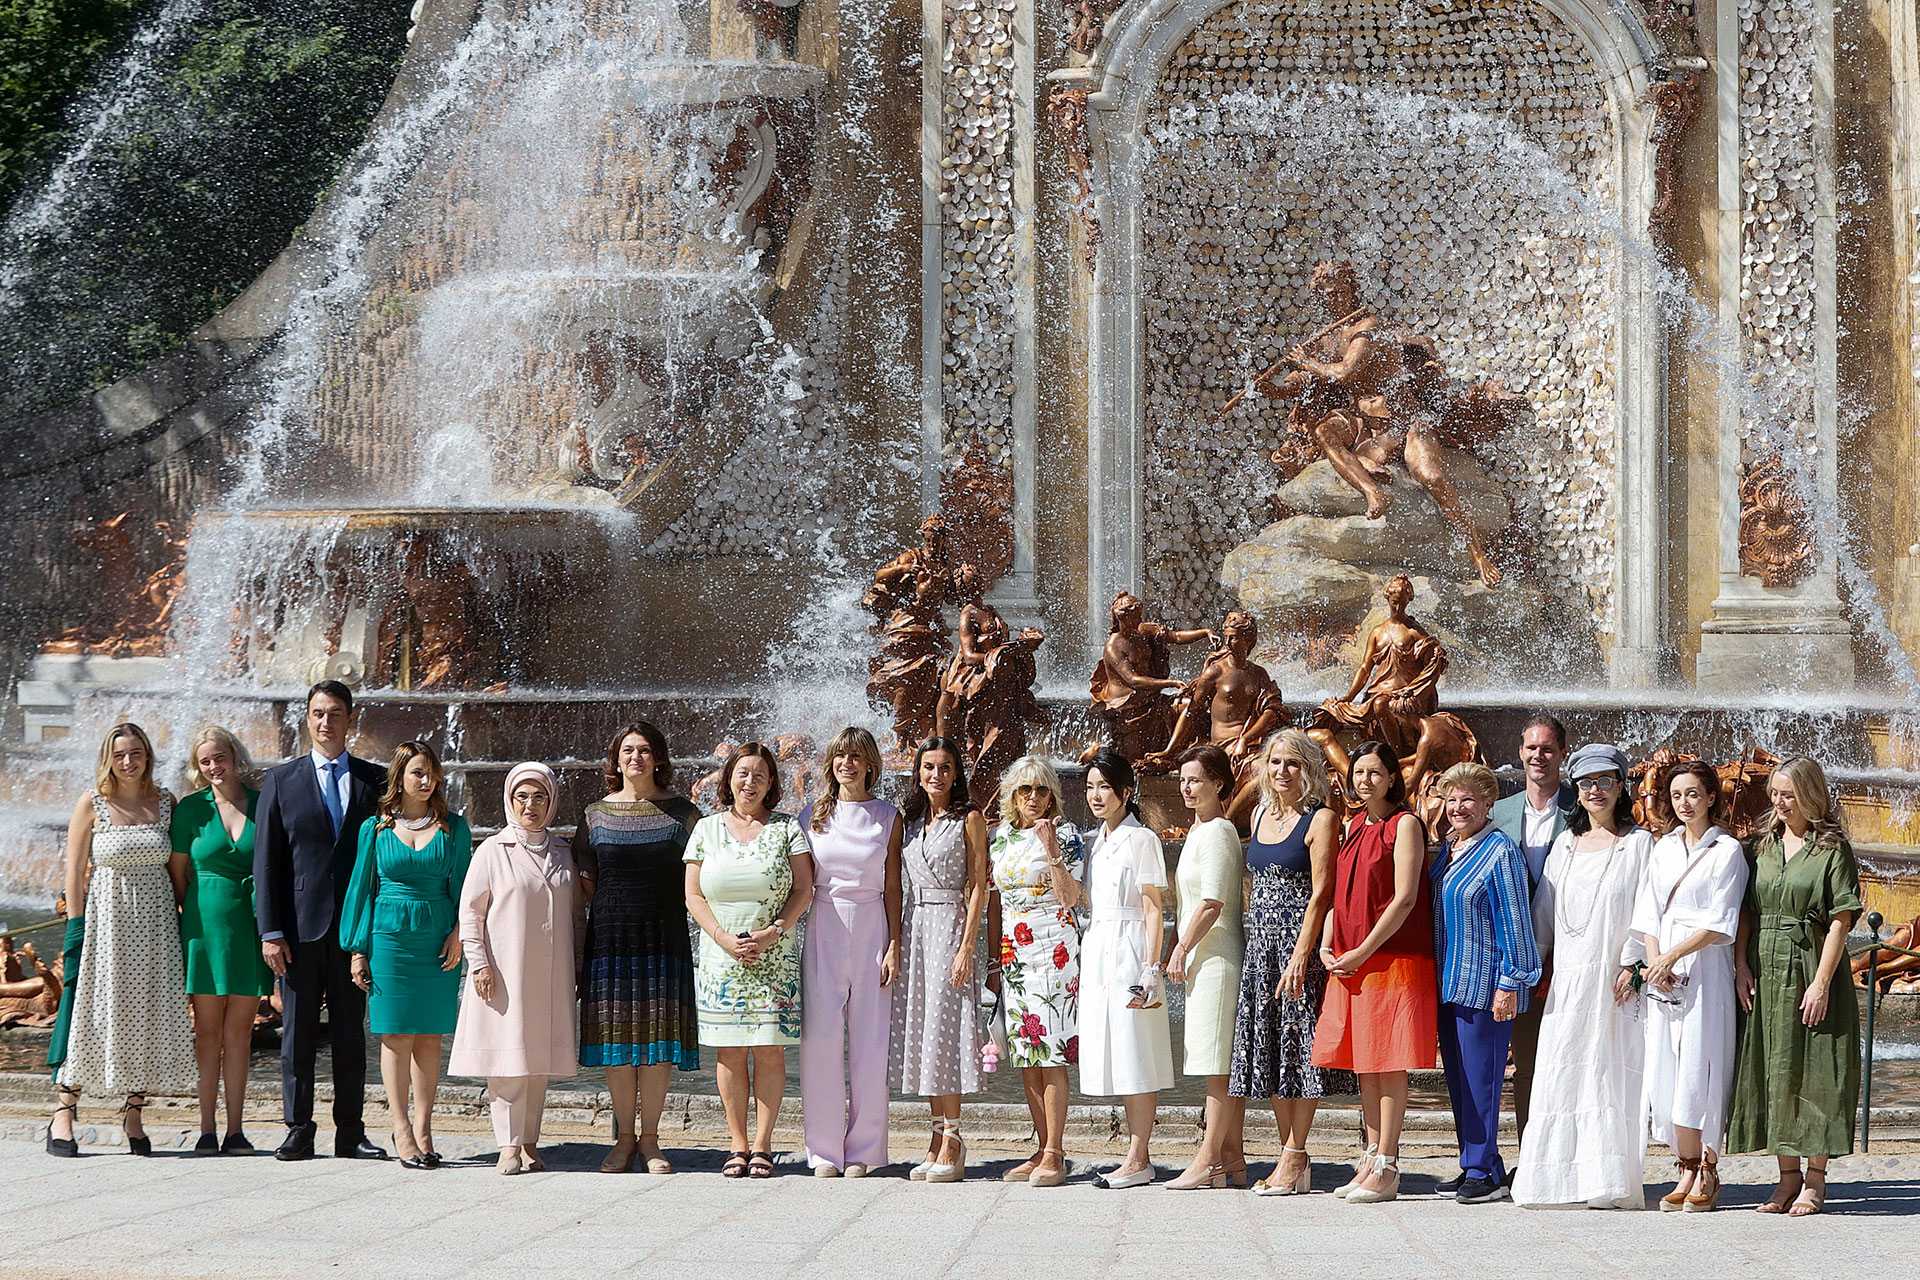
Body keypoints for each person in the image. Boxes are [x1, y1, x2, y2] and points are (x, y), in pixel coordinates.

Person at [1513, 743, 1654, 1210]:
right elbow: (1543, 918)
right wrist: (1525, 971)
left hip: (1614, 982)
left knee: (1608, 1075)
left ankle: (1607, 1180)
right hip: (1570, 981)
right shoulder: (1564, 846)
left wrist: (1634, 963)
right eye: (1587, 783)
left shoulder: (1638, 844)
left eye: (1605, 782)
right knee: (1563, 1071)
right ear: (1576, 788)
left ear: (1620, 788)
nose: (1596, 791)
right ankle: (1554, 1182)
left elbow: (1646, 910)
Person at [253, 680, 388, 1161]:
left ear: (351, 720)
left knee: (352, 1032)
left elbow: (383, 859)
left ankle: (350, 1130)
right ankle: (298, 1128)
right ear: (306, 720)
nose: (326, 721)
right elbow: (266, 863)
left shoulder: (377, 782)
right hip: (298, 928)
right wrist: (270, 931)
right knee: (298, 1032)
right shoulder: (280, 781)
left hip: (354, 930)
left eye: (335, 713)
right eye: (317, 713)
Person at [45, 722, 194, 1157]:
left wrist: (189, 918)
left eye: (136, 753)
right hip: (106, 924)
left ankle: (133, 1113)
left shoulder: (167, 802)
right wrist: (75, 927)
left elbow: (176, 870)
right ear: (108, 759)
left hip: (157, 926)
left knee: (145, 1010)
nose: (128, 762)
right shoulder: (92, 803)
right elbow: (73, 871)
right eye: (120, 754)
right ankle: (64, 1110)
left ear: (148, 755)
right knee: (94, 1011)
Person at [1727, 757, 1863, 1216]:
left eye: (1788, 794)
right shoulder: (1761, 846)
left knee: (1817, 1069)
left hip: (1810, 965)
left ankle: (1815, 1180)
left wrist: (1822, 984)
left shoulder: (1832, 850)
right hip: (1764, 967)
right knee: (1773, 1065)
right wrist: (1740, 963)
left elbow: (1841, 922)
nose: (1779, 803)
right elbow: (1747, 911)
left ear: (1810, 794)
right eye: (1774, 795)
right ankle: (1786, 1178)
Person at [1312, 738, 1437, 1204]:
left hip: (1392, 957)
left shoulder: (1404, 825)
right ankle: (1369, 1155)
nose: (1364, 780)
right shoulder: (1355, 825)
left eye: (1374, 773)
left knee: (1389, 1061)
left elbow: (1405, 897)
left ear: (1391, 778)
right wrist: (1327, 942)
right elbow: (1338, 895)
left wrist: (1363, 948)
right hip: (1350, 959)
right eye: (1358, 773)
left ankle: (1388, 1162)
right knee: (1366, 1062)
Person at [1230, 730, 1355, 1195]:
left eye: (1294, 763)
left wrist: (1303, 952)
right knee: (1273, 1051)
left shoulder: (1321, 819)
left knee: (1300, 1051)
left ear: (1309, 769)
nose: (1283, 771)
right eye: (1276, 762)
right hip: (1260, 949)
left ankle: (1295, 1152)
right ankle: (1291, 1156)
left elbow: (1323, 891)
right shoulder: (1260, 813)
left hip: (1296, 947)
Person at [340, 740, 473, 1170]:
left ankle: (424, 1127)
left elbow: (466, 890)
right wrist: (358, 950)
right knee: (395, 1034)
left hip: (437, 938)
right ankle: (399, 1127)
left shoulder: (455, 827)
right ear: (399, 778)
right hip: (390, 939)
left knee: (430, 1036)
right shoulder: (374, 829)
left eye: (431, 772)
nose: (426, 780)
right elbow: (360, 890)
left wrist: (458, 935)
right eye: (417, 772)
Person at [684, 743, 814, 1179]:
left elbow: (803, 889)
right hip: (721, 958)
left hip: (773, 956)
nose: (750, 782)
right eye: (743, 773)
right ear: (729, 778)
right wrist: (721, 937)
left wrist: (772, 932)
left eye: (760, 775)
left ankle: (763, 1144)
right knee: (730, 1053)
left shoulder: (787, 829)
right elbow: (693, 894)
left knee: (771, 1051)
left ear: (772, 782)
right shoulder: (705, 829)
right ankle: (737, 1144)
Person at [450, 763, 586, 1175]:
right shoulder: (493, 850)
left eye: (539, 796)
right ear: (510, 801)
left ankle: (530, 1142)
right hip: (504, 972)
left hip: (551, 974)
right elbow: (470, 913)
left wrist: (578, 968)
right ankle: (507, 1146)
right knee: (507, 1064)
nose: (531, 805)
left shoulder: (563, 852)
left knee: (537, 1061)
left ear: (552, 802)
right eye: (522, 797)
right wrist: (479, 963)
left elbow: (577, 917)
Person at [577, 722, 701, 1174]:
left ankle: (651, 1140)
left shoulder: (684, 814)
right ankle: (623, 1139)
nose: (636, 758)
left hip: (663, 935)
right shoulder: (594, 814)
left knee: (657, 1040)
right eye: (628, 750)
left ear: (659, 758)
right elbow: (583, 882)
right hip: (610, 937)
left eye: (645, 750)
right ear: (616, 759)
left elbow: (702, 876)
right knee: (617, 1040)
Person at [1633, 760, 1746, 1212]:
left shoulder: (1727, 851)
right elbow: (1648, 910)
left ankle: (1709, 1167)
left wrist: (1674, 956)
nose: (1684, 803)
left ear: (1712, 797)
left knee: (1703, 1061)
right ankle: (1683, 1165)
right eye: (1677, 795)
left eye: (1694, 794)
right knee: (1667, 1064)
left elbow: (1723, 920)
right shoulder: (1662, 848)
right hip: (1664, 969)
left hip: (1705, 969)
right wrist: (1656, 959)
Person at [1429, 762, 1541, 1204]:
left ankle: (1483, 1171)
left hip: (1485, 984)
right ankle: (1480, 1161)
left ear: (1488, 803)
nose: (1458, 807)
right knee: (1459, 1080)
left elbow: (1515, 919)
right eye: (1452, 799)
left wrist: (1511, 981)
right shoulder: (1450, 847)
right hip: (1449, 981)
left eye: (1468, 799)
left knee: (1484, 1080)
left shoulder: (1500, 851)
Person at [799, 727, 903, 1178]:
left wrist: (894, 945)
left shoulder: (888, 816)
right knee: (820, 1040)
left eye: (857, 757)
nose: (848, 764)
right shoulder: (811, 816)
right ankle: (823, 1151)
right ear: (831, 763)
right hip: (824, 923)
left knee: (870, 1042)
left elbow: (895, 887)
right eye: (841, 756)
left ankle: (863, 1150)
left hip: (872, 926)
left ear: (870, 765)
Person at [890, 736, 989, 1183]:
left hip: (950, 925)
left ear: (956, 773)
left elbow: (979, 886)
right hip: (916, 930)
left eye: (944, 767)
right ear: (918, 771)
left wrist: (968, 947)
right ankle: (934, 1136)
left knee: (947, 1036)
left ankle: (954, 1138)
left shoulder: (969, 818)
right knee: (925, 1032)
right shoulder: (910, 821)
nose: (936, 775)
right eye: (928, 767)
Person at [173, 725, 273, 1155]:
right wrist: (196, 911)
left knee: (241, 1034)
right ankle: (206, 1130)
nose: (214, 766)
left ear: (235, 755)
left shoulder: (262, 802)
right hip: (202, 929)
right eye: (205, 761)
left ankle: (235, 1130)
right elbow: (178, 875)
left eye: (220, 757)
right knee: (207, 1034)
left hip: (248, 927)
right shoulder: (191, 809)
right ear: (198, 767)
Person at [1078, 750, 1174, 1188]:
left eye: (1105, 787)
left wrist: (1151, 968)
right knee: (1116, 1046)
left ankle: (1139, 1158)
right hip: (1099, 946)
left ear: (1125, 792)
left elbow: (1154, 908)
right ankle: (1135, 1154)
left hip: (1131, 949)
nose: (1096, 795)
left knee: (1137, 1048)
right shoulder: (1099, 837)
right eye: (1091, 786)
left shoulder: (1142, 839)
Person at [988, 754, 1084, 1188]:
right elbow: (994, 900)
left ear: (1053, 795)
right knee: (1027, 1052)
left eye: (1042, 789)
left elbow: (1072, 898)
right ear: (1012, 794)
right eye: (1025, 789)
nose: (1033, 797)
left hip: (1053, 949)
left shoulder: (1066, 834)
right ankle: (1041, 1144)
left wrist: (1052, 851)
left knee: (1052, 1050)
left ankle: (1056, 1152)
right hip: (1015, 952)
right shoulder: (1001, 837)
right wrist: (993, 958)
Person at [1489, 712, 1575, 1145]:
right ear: (1519, 753)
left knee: (1569, 1058)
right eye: (1531, 748)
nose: (1538, 755)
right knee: (1525, 1063)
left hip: (1571, 953)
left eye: (1547, 748)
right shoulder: (1499, 811)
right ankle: (1530, 1154)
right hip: (1514, 955)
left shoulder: (1583, 808)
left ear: (1561, 753)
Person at [1165, 744, 1248, 1190]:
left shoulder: (1218, 831)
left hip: (1217, 959)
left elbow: (1212, 902)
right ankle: (1232, 1158)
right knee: (1217, 1063)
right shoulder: (1200, 830)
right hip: (1204, 957)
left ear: (1218, 782)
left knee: (1218, 1065)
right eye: (1183, 779)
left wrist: (1180, 947)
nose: (1186, 787)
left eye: (1196, 779)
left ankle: (1206, 1160)